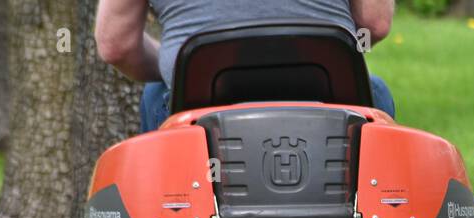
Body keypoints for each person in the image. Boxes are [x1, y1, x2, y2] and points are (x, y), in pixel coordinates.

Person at [95, 0, 396, 132]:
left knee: (157, 94)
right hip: (331, 103)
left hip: (201, 111)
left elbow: (116, 45)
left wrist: (183, 66)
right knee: (374, 92)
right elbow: (374, 24)